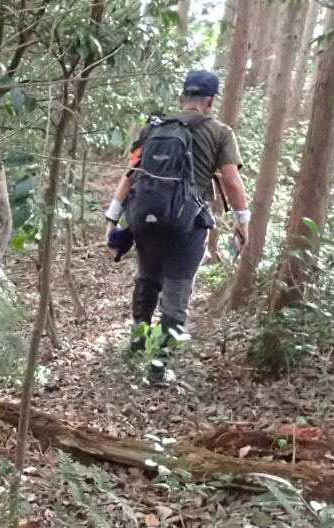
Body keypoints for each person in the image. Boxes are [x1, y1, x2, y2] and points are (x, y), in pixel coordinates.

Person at [103, 69, 251, 358]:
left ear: (183, 96)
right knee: (177, 289)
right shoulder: (220, 132)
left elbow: (131, 174)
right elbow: (232, 181)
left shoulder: (153, 128)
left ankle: (136, 345)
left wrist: (112, 219)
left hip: (145, 219)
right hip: (187, 225)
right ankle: (158, 365)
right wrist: (242, 222)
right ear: (211, 101)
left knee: (147, 277)